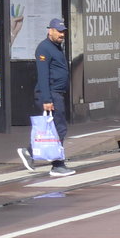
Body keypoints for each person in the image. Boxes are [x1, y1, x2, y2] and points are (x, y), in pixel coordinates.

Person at [19, 17, 75, 177]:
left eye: (63, 31)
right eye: (58, 31)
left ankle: (30, 153)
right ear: (49, 30)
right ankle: (58, 165)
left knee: (52, 129)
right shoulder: (44, 48)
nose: (61, 34)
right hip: (51, 94)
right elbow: (42, 76)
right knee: (59, 128)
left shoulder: (57, 47)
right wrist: (47, 100)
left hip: (57, 93)